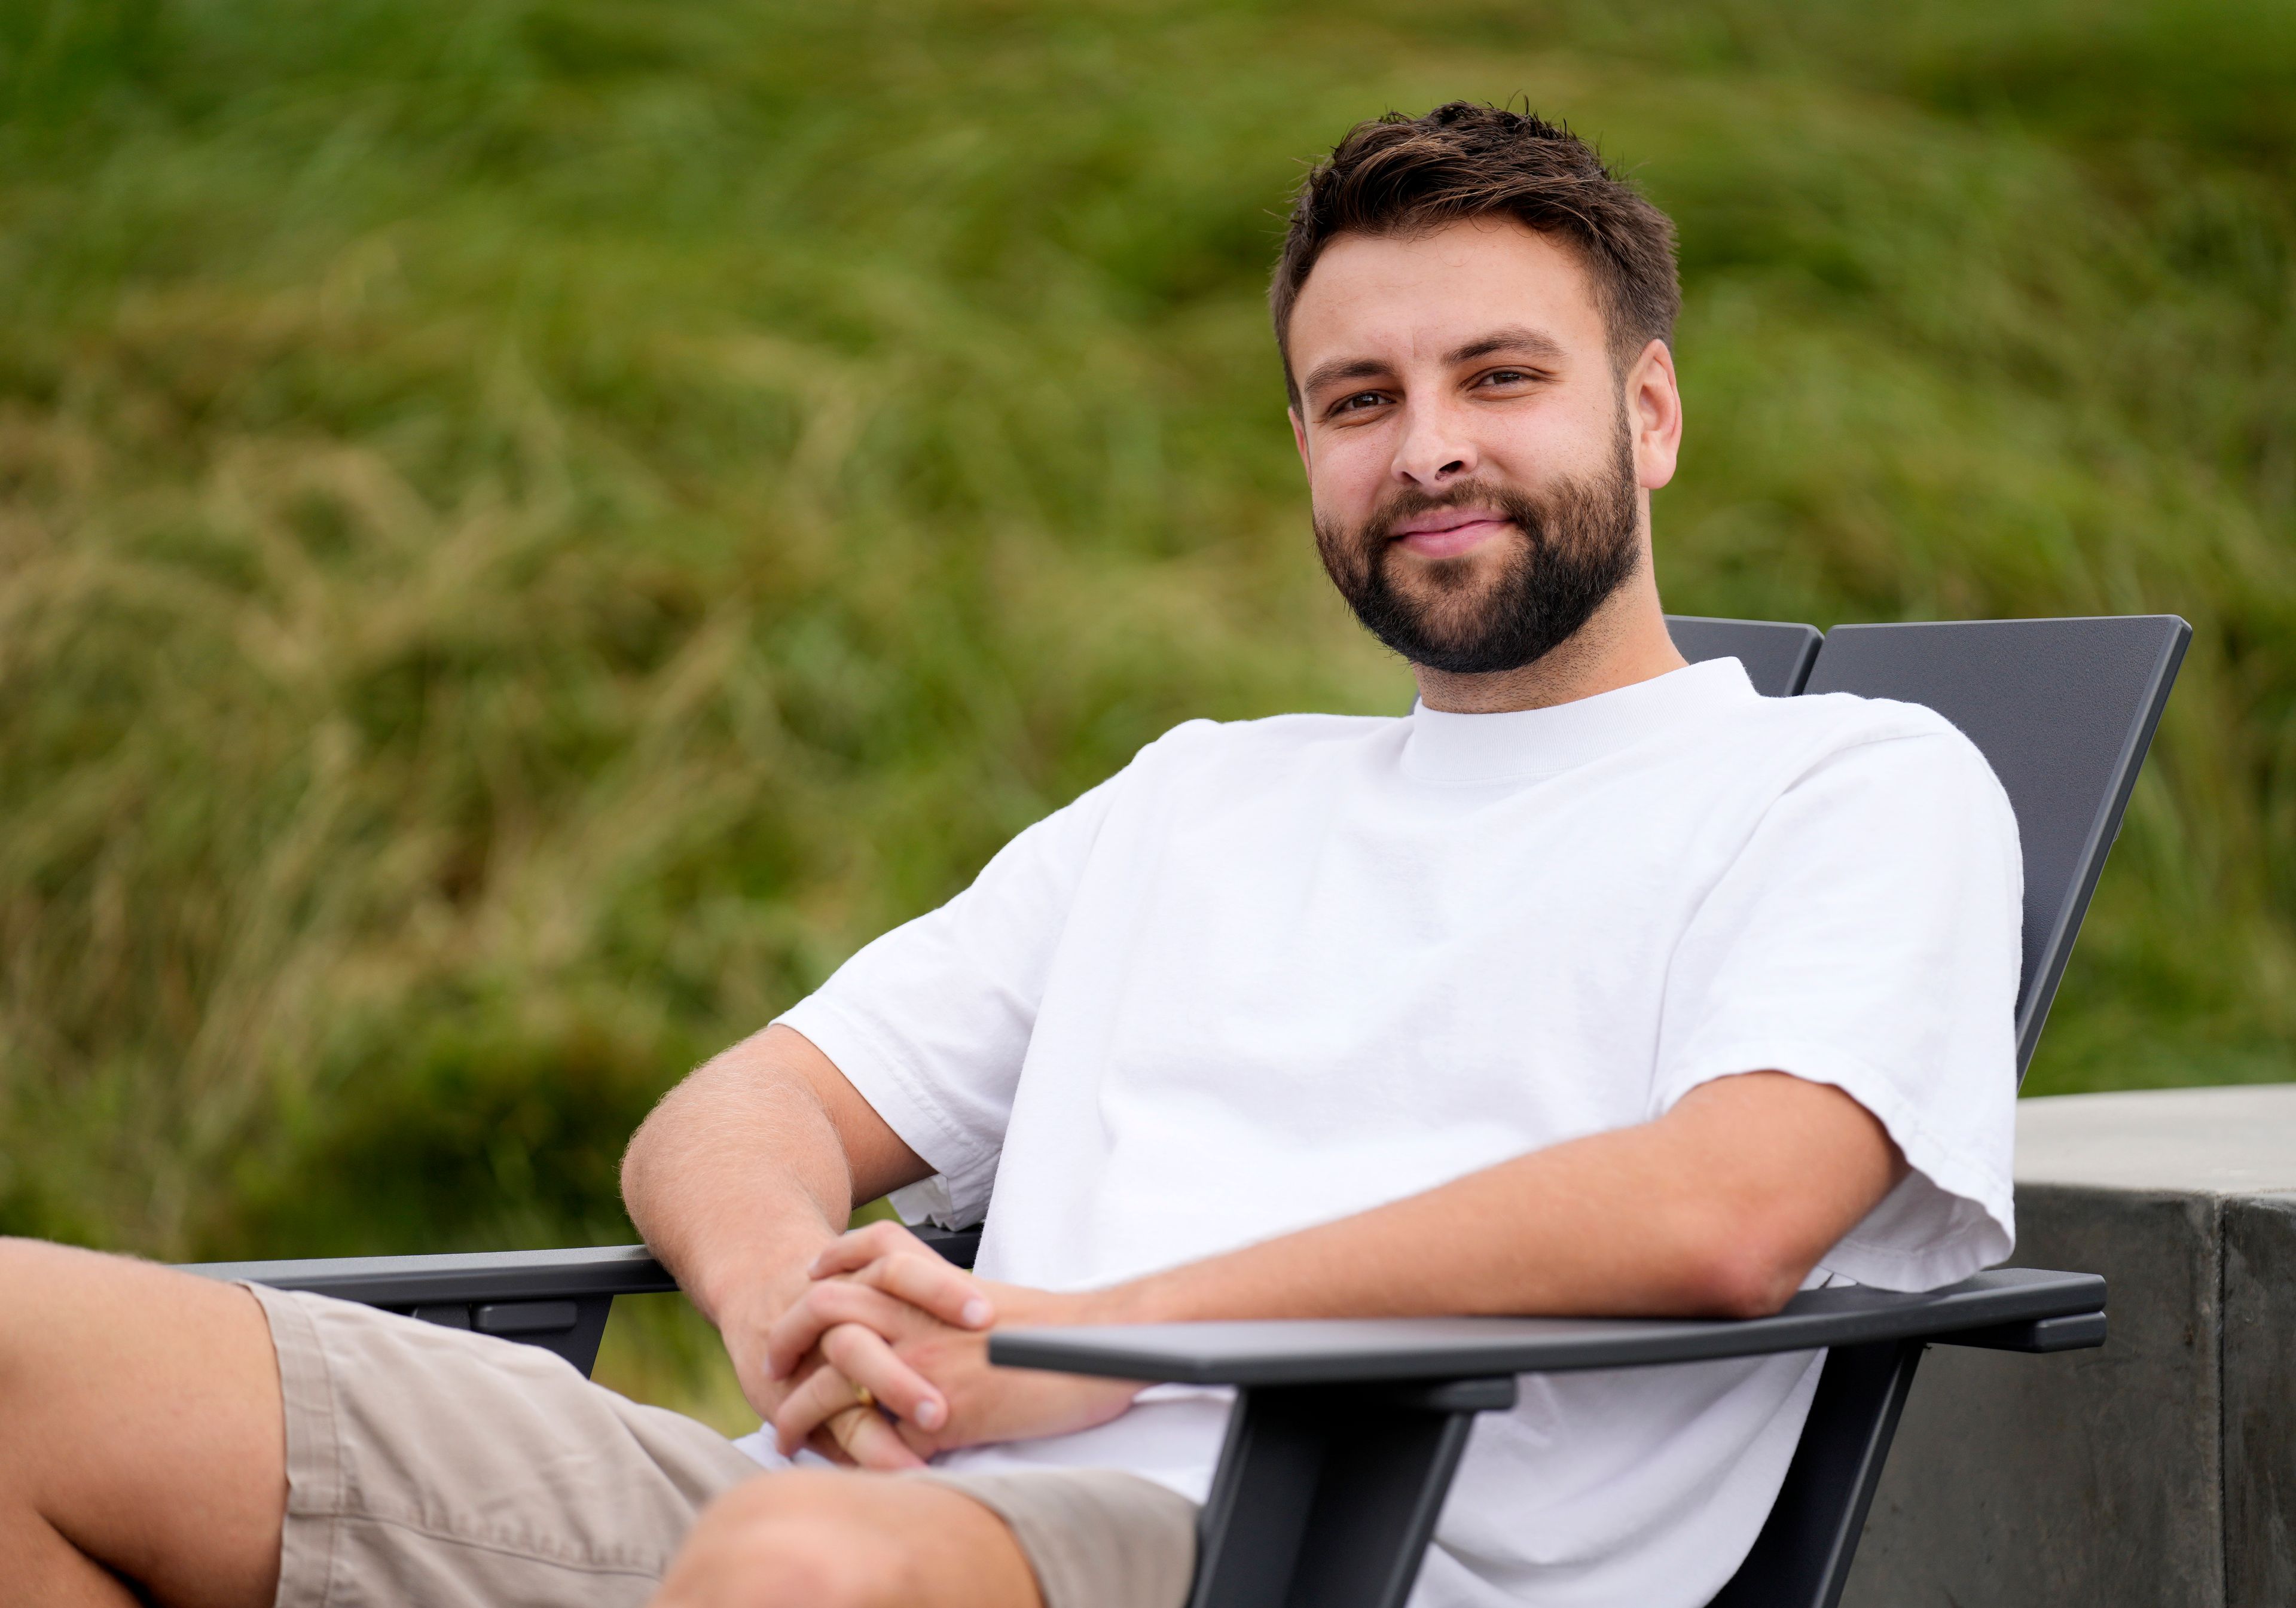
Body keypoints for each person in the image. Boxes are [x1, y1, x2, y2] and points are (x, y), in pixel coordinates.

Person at [0, 103, 2021, 1608]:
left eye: (1503, 377)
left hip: (1303, 1558)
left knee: (803, 1567)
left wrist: (1068, 1335)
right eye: (1356, 397)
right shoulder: (1201, 796)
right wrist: (815, 1310)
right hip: (837, 1514)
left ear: (1651, 413)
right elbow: (744, 1104)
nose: (1427, 450)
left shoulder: (1847, 787)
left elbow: (1732, 1203)